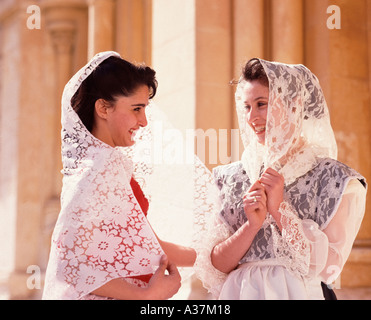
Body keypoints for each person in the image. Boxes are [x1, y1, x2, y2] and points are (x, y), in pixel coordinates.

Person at [194, 58, 367, 299]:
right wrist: (251, 225)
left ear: (294, 105)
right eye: (246, 107)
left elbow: (329, 269)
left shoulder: (335, 179)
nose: (252, 117)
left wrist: (280, 210)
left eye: (261, 104)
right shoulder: (230, 177)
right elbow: (217, 265)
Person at [42, 51, 197, 300]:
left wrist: (213, 256)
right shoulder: (96, 170)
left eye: (144, 109)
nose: (144, 121)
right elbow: (69, 266)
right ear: (103, 108)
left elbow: (152, 246)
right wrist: (145, 295)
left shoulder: (112, 166)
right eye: (136, 108)